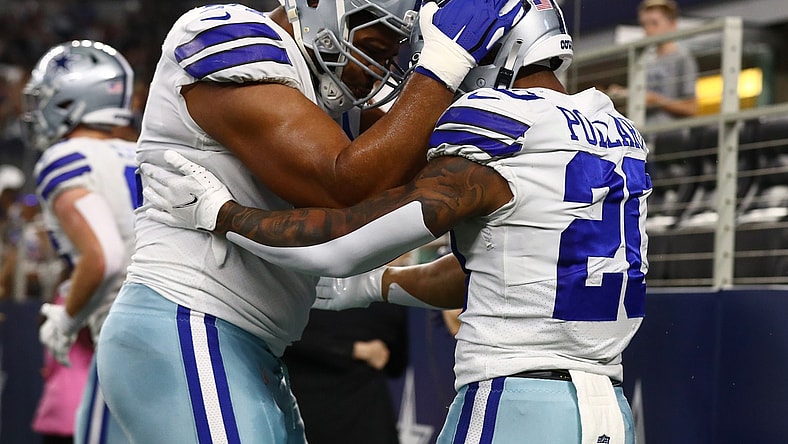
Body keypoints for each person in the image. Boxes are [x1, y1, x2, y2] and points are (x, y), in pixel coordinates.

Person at [142, 2, 652, 443]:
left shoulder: (502, 129)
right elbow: (504, 273)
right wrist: (378, 286)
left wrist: (222, 213)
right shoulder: (616, 132)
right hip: (605, 401)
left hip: (513, 396)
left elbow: (339, 244)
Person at [95, 0, 525, 442]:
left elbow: (420, 168)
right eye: (375, 47)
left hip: (249, 344)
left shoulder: (319, 94)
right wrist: (441, 67)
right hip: (187, 319)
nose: (376, 73)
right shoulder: (229, 33)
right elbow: (342, 185)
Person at [22, 39, 139, 443]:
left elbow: (105, 256)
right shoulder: (143, 152)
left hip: (123, 336)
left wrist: (66, 319)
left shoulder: (67, 156)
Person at [608, 0, 698, 125]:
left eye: (654, 23)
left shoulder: (682, 58)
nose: (648, 30)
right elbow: (644, 96)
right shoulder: (645, 60)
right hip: (643, 131)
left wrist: (656, 100)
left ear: (672, 24)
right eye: (644, 24)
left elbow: (691, 108)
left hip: (669, 134)